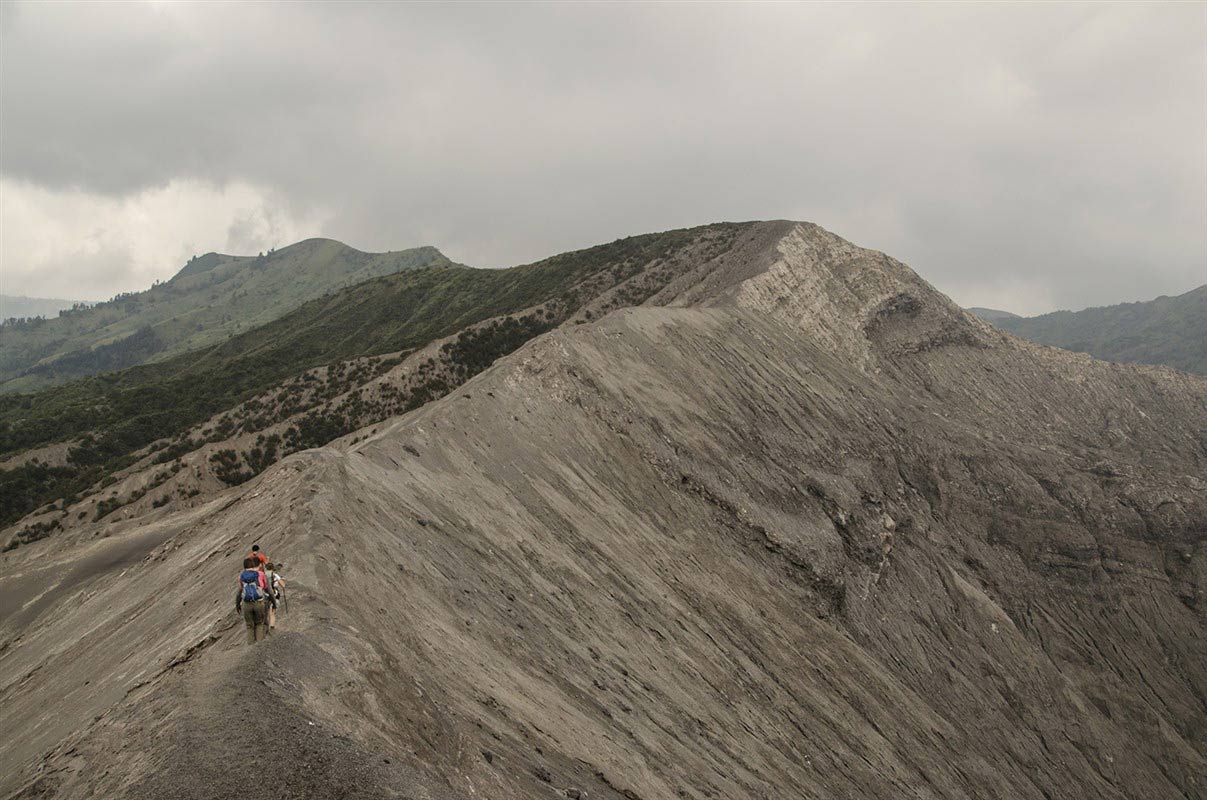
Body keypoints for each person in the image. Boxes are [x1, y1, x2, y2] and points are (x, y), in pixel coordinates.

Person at [236, 557, 275, 643]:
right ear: (253, 565)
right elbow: (268, 590)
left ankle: (251, 648)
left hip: (246, 604)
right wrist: (274, 602)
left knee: (250, 626)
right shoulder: (260, 574)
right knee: (259, 624)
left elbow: (239, 592)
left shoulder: (241, 577)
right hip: (259, 602)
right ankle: (258, 648)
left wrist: (237, 604)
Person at [264, 562, 285, 631]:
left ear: (266, 568)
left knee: (266, 612)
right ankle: (272, 626)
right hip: (274, 594)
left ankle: (266, 627)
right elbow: (283, 585)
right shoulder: (275, 575)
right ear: (273, 568)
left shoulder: (263, 575)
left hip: (264, 595)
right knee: (272, 612)